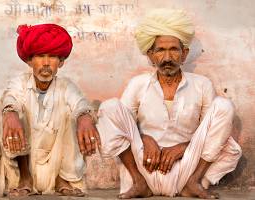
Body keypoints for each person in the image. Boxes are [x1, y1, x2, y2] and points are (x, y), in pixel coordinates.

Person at [96, 9, 242, 199]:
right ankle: (139, 183)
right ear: (151, 55)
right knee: (109, 107)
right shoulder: (138, 84)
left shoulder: (202, 84)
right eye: (160, 50)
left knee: (224, 106)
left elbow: (210, 132)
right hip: (145, 165)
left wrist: (184, 147)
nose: (167, 58)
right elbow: (122, 126)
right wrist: (145, 138)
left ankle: (194, 183)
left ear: (184, 54)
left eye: (174, 49)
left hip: (188, 167)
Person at [0, 24, 100, 197]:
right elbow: (10, 98)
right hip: (27, 161)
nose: (45, 63)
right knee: (11, 113)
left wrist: (85, 118)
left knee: (75, 114)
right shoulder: (19, 82)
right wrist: (10, 113)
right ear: (29, 61)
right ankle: (25, 177)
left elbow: (80, 103)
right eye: (40, 56)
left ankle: (62, 179)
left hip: (55, 162)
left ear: (61, 62)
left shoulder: (66, 86)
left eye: (52, 57)